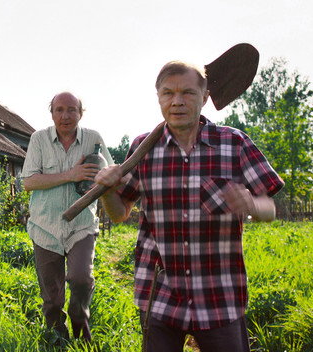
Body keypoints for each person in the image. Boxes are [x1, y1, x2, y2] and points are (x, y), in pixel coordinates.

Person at [95, 61, 284, 352]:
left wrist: (253, 205)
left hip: (220, 295)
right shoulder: (144, 148)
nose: (177, 101)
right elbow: (120, 212)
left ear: (205, 96)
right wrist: (107, 190)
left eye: (188, 93)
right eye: (168, 93)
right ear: (158, 97)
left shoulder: (234, 144)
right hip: (160, 295)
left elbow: (270, 208)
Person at [20, 91, 114, 343]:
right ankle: (56, 340)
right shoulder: (38, 139)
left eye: (72, 110)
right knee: (51, 298)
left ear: (80, 113)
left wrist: (101, 177)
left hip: (81, 226)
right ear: (51, 113)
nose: (65, 115)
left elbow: (111, 175)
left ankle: (81, 329)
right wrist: (71, 175)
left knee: (82, 279)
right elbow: (29, 182)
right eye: (59, 110)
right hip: (45, 227)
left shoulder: (93, 139)